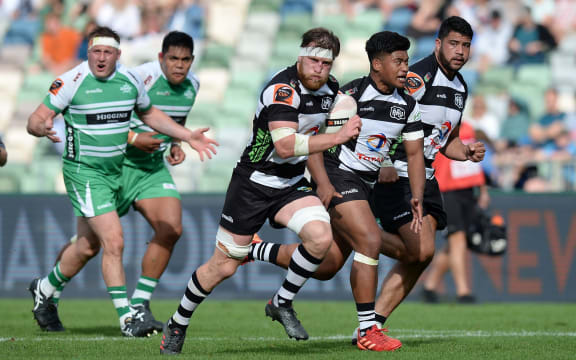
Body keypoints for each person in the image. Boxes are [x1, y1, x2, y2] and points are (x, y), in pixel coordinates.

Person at [249, 16, 485, 350]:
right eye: (453, 43)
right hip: (350, 175)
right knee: (388, 244)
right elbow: (318, 139)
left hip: (385, 180)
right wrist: (326, 183)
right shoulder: (363, 93)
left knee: (329, 264)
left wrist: (462, 153)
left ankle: (254, 249)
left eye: (466, 45)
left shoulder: (442, 92)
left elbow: (429, 145)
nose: (404, 69)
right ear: (437, 44)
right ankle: (368, 330)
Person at [159, 27, 362, 355]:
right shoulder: (282, 90)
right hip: (253, 184)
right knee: (223, 266)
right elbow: (285, 146)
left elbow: (309, 139)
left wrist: (322, 181)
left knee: (320, 238)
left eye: (325, 64)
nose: (318, 69)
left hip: (291, 184)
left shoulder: (331, 90)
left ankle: (281, 302)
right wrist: (337, 138)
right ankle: (178, 322)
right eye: (312, 60)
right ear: (300, 56)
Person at [26, 26, 218, 337]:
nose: (101, 58)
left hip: (127, 170)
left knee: (100, 243)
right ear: (88, 53)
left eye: (108, 52)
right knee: (109, 242)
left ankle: (47, 290)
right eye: (96, 52)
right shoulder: (72, 81)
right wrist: (40, 126)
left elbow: (153, 115)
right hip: (86, 172)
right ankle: (127, 319)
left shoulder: (133, 81)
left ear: (118, 55)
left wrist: (183, 138)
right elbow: (35, 118)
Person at [421, 121, 489, 303]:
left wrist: (482, 189)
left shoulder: (467, 127)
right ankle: (463, 290)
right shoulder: (441, 123)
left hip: (466, 189)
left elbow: (473, 161)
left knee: (455, 241)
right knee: (457, 237)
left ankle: (430, 284)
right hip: (446, 188)